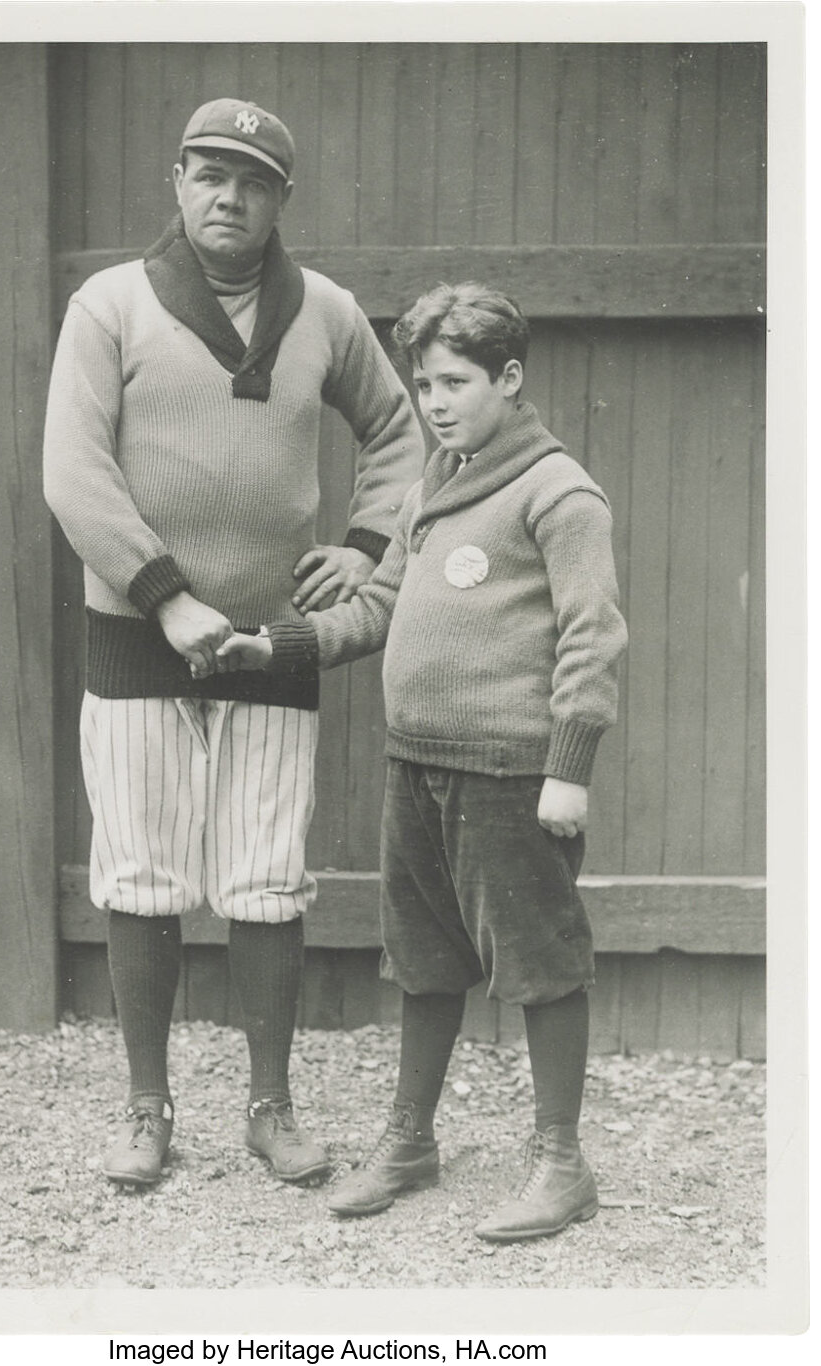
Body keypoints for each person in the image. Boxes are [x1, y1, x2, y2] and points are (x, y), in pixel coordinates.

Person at [42, 98, 423, 1189]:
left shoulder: (329, 312)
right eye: (209, 174)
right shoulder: (108, 305)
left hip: (274, 638)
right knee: (142, 872)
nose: (228, 196)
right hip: (136, 634)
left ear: (280, 199)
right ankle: (148, 1107)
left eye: (252, 181)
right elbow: (74, 472)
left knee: (265, 877)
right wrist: (165, 596)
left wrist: (361, 543)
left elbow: (398, 432)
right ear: (176, 180)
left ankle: (270, 1105)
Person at [214, 283, 628, 1240]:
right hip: (417, 766)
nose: (434, 401)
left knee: (539, 962)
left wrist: (568, 766)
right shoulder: (428, 488)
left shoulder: (557, 492)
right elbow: (373, 607)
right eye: (422, 384)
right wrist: (271, 645)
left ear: (509, 378)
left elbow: (592, 637)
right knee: (422, 959)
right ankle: (410, 1139)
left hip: (511, 774)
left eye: (454, 381)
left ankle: (561, 1162)